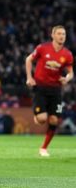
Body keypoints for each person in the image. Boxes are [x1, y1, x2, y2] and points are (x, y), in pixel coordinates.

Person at [25, 25, 74, 157]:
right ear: (53, 35)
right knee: (42, 119)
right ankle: (38, 115)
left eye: (63, 34)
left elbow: (70, 73)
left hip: (56, 89)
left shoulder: (67, 54)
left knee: (54, 120)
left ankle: (44, 148)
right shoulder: (43, 48)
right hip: (40, 87)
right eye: (59, 34)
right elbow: (29, 59)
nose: (61, 36)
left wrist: (67, 79)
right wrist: (29, 78)